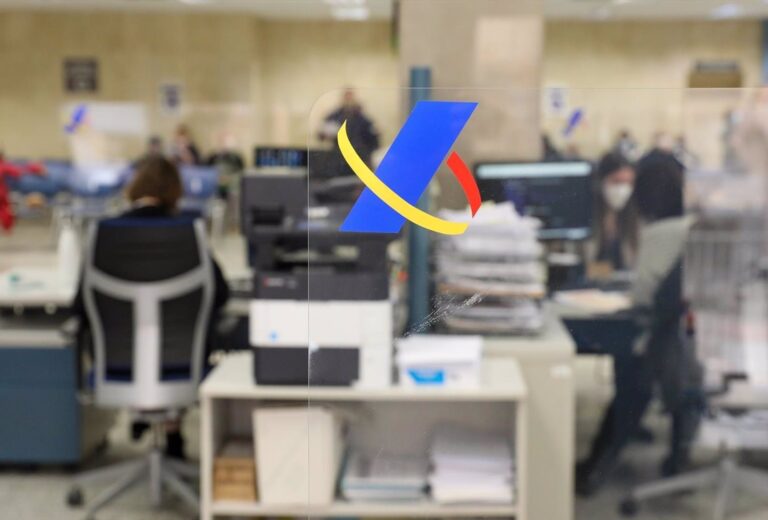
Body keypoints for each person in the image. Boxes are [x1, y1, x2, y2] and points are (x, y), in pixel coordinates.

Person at [72, 157, 230, 459]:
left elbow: (80, 307)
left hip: (117, 368)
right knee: (188, 332)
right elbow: (220, 294)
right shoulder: (189, 233)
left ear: (134, 188)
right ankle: (172, 432)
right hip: (183, 367)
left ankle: (144, 416)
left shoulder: (104, 233)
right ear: (175, 192)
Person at [571, 149, 696, 496]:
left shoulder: (660, 233)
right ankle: (678, 457)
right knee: (645, 365)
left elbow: (644, 295)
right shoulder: (697, 229)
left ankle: (596, 466)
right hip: (712, 351)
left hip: (669, 345)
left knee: (636, 371)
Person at [592, 152, 638, 272]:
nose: (623, 189)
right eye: (616, 182)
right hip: (594, 279)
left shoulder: (636, 216)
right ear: (601, 181)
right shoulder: (590, 216)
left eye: (629, 183)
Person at [319, 88, 379, 168]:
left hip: (359, 155)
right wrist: (325, 135)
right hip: (339, 155)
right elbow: (322, 134)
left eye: (350, 98)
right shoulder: (335, 117)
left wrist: (369, 154)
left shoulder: (362, 119)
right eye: (347, 98)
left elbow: (373, 138)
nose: (349, 101)